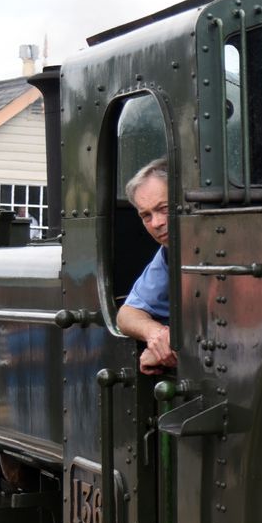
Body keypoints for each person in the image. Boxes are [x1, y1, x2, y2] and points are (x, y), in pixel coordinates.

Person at [116, 158, 177, 375]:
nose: (156, 223)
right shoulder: (169, 254)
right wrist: (157, 335)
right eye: (146, 215)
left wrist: (176, 350)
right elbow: (127, 314)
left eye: (164, 208)